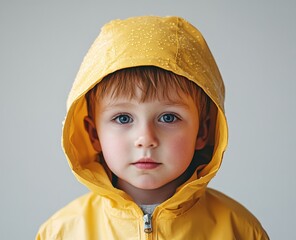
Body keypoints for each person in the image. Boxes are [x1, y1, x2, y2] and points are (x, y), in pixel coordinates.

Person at [36, 16, 269, 239]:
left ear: (202, 131)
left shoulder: (240, 231)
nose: (145, 139)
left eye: (168, 117)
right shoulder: (62, 233)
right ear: (94, 133)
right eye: (123, 118)